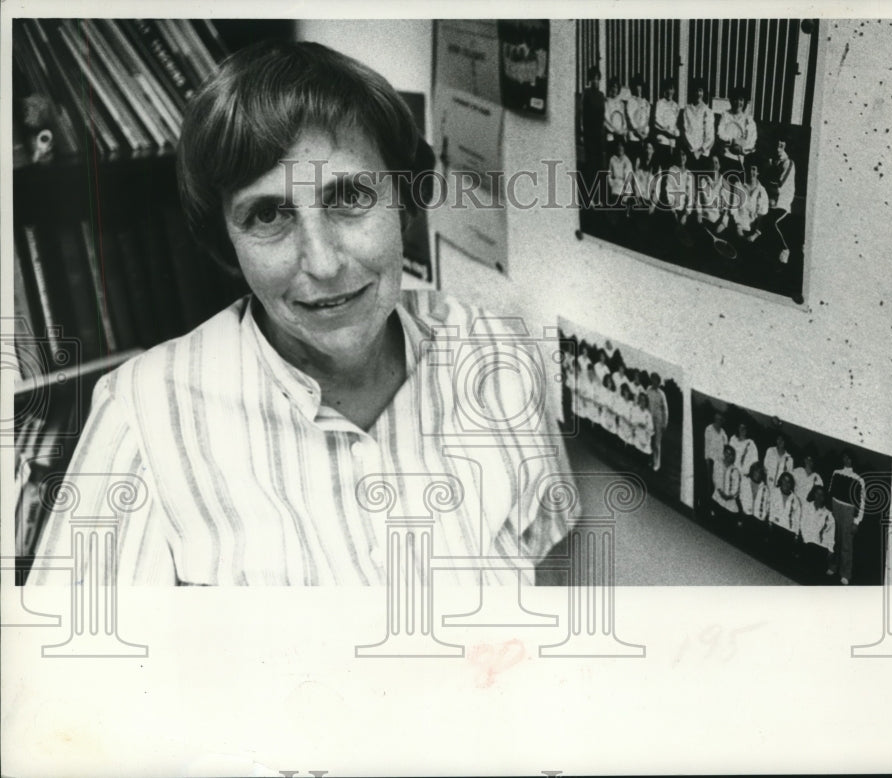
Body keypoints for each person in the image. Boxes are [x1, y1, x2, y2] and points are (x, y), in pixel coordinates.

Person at [29, 41, 575, 586]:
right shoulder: (143, 417)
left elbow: (547, 582)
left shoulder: (500, 358)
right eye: (268, 214)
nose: (322, 261)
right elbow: (74, 661)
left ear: (405, 203)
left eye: (350, 196)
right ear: (227, 244)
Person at [827, 449, 867, 585]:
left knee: (846, 544)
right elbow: (830, 492)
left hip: (848, 512)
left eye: (849, 458)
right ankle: (832, 566)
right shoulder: (836, 473)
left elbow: (862, 503)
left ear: (853, 460)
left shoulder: (859, 479)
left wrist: (857, 522)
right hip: (835, 507)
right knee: (833, 540)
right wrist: (829, 511)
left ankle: (845, 574)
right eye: (845, 457)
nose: (846, 460)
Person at [764, 137, 796, 263]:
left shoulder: (789, 163)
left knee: (769, 222)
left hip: (782, 203)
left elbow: (779, 185)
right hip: (768, 203)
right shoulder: (771, 162)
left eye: (781, 145)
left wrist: (767, 181)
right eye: (776, 145)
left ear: (785, 146)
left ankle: (785, 249)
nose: (778, 148)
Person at [716, 88, 757, 175]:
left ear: (745, 101)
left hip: (741, 157)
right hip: (725, 155)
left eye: (741, 100)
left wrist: (741, 148)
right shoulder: (725, 115)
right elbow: (720, 133)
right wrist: (733, 141)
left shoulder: (748, 119)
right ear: (731, 101)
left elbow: (751, 141)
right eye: (735, 99)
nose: (738, 102)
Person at [581, 65, 607, 195]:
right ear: (590, 80)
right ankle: (588, 193)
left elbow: (603, 115)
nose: (595, 81)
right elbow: (582, 114)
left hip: (599, 134)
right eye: (593, 79)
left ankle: (598, 194)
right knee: (590, 164)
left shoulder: (602, 95)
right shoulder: (586, 94)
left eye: (597, 78)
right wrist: (582, 132)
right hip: (589, 134)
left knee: (599, 164)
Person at [801, 485, 836, 573]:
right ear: (813, 494)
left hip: (820, 547)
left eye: (822, 495)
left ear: (825, 498)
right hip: (806, 542)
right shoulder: (806, 506)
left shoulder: (828, 514)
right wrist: (806, 541)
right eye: (817, 494)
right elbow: (802, 524)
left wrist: (830, 550)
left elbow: (831, 535)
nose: (819, 497)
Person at [732, 162, 770, 242]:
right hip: (737, 229)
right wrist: (739, 230)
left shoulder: (762, 191)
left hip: (754, 234)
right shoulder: (738, 185)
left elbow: (763, 215)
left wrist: (754, 236)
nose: (750, 171)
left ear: (758, 172)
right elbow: (733, 210)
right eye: (748, 169)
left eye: (753, 169)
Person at [681, 80, 714, 167]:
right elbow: (685, 130)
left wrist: (700, 151)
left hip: (703, 153)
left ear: (703, 92)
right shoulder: (687, 109)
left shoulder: (708, 111)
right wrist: (692, 150)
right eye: (695, 90)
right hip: (689, 152)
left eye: (700, 90)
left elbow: (710, 135)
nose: (698, 93)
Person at [769, 471, 803, 553]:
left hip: (788, 531)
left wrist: (796, 534)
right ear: (780, 481)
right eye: (784, 480)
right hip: (775, 526)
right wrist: (770, 522)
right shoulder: (774, 492)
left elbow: (797, 518)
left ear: (791, 485)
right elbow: (771, 509)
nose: (786, 483)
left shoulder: (795, 500)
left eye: (788, 482)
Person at [652, 78, 681, 169]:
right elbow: (657, 121)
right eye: (668, 88)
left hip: (672, 140)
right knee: (659, 168)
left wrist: (675, 132)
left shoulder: (676, 106)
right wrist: (666, 130)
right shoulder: (659, 103)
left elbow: (676, 123)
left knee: (668, 168)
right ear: (665, 90)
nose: (670, 91)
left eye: (672, 89)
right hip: (662, 138)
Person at [737, 461, 770, 532]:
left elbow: (767, 506)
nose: (757, 474)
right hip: (744, 515)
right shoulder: (744, 481)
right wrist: (741, 512)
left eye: (760, 472)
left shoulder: (765, 489)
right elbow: (739, 497)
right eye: (756, 471)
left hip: (758, 521)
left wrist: (762, 517)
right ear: (752, 471)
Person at [703, 411, 728, 504]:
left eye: (720, 419)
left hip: (721, 464)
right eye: (717, 419)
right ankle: (708, 503)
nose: (718, 421)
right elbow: (706, 446)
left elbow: (726, 450)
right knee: (709, 485)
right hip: (711, 461)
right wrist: (707, 461)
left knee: (719, 486)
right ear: (714, 418)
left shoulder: (724, 433)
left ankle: (716, 503)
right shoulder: (708, 429)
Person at [711, 445, 741, 522]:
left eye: (731, 454)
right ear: (723, 453)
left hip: (729, 503)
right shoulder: (718, 463)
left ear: (733, 457)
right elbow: (716, 479)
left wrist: (729, 497)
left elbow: (736, 488)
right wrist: (721, 493)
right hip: (717, 498)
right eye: (726, 453)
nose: (728, 456)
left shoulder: (735, 470)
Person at [625, 74, 651, 161]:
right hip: (633, 137)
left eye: (640, 86)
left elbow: (647, 119)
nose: (638, 88)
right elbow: (630, 119)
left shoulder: (646, 102)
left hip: (643, 137)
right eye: (636, 86)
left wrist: (644, 133)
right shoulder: (630, 101)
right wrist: (638, 132)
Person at [647, 372, 669, 472]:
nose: (654, 382)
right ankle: (650, 460)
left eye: (656, 380)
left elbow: (665, 410)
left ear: (659, 382)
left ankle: (657, 464)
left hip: (658, 420)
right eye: (652, 379)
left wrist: (665, 423)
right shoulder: (648, 389)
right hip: (649, 419)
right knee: (649, 440)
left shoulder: (661, 394)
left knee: (657, 443)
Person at [604, 77, 627, 151]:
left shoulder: (621, 104)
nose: (614, 89)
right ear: (610, 88)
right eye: (613, 87)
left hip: (621, 135)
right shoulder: (606, 102)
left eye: (616, 87)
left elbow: (624, 119)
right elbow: (606, 120)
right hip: (611, 136)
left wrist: (623, 130)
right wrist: (615, 131)